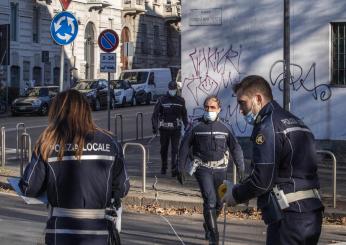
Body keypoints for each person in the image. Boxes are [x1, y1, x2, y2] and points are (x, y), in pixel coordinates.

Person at [222, 75, 324, 245]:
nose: (240, 110)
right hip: (311, 213)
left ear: (258, 99)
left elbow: (263, 180)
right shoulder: (296, 121)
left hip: (288, 217)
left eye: (242, 102)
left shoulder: (267, 126)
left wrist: (235, 193)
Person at [19, 89, 130, 245]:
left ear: (56, 112)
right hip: (98, 231)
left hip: (60, 231)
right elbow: (122, 187)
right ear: (86, 110)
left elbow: (29, 187)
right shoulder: (110, 141)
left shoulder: (47, 143)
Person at [177, 95, 245, 245]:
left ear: (219, 109)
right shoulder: (196, 126)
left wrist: (241, 168)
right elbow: (184, 147)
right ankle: (214, 237)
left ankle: (209, 222)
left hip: (221, 169)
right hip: (203, 168)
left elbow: (236, 148)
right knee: (210, 200)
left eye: (212, 107)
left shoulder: (226, 127)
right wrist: (180, 168)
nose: (209, 110)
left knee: (220, 203)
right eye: (206, 107)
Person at [151, 81, 188, 176]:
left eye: (174, 89)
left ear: (176, 89)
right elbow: (155, 115)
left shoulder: (181, 100)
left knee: (175, 149)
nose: (172, 90)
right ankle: (164, 167)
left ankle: (174, 169)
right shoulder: (162, 100)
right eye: (171, 89)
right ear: (168, 88)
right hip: (164, 129)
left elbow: (184, 115)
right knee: (164, 149)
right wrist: (155, 127)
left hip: (176, 129)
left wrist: (187, 126)